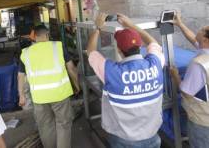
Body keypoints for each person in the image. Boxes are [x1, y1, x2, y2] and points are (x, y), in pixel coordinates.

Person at [87, 13, 165, 148]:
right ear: (140, 46)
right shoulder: (155, 64)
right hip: (152, 136)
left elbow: (91, 52)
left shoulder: (111, 71)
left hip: (123, 140)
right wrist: (131, 25)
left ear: (118, 49)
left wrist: (97, 28)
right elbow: (153, 43)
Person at [18, 24, 80, 148]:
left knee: (46, 126)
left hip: (39, 98)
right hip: (60, 94)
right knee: (63, 124)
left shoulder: (25, 53)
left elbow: (21, 76)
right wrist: (77, 85)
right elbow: (71, 68)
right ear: (47, 35)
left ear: (34, 37)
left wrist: (22, 96)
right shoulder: (58, 46)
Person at [170, 12, 209, 148]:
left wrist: (175, 75)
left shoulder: (198, 64)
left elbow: (186, 92)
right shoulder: (205, 51)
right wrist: (180, 24)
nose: (199, 29)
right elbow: (193, 38)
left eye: (202, 30)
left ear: (205, 40)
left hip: (203, 122)